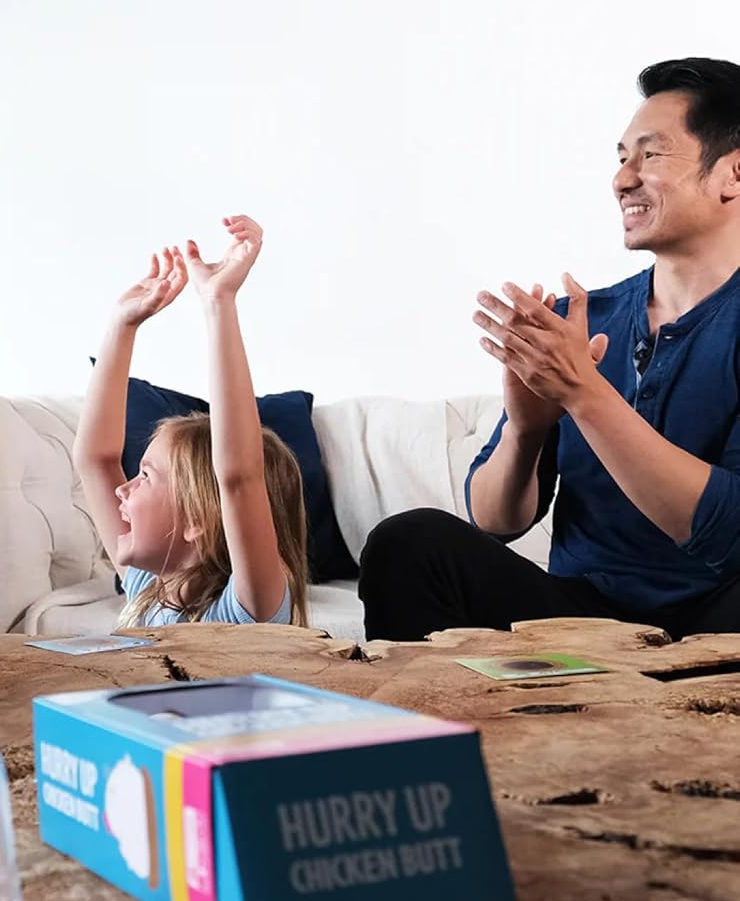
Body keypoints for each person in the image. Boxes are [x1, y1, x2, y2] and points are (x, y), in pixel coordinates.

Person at [360, 58, 740, 642]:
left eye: (651, 155)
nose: (622, 179)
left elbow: (727, 529)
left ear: (732, 175)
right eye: (621, 158)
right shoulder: (580, 323)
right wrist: (525, 429)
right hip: (580, 618)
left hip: (715, 621)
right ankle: (433, 733)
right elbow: (495, 521)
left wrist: (585, 395)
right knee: (410, 543)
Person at [74, 216, 310, 628]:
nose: (123, 488)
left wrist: (218, 301)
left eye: (145, 476)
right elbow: (94, 459)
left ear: (198, 518)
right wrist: (122, 324)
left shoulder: (249, 609)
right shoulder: (147, 587)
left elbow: (239, 475)